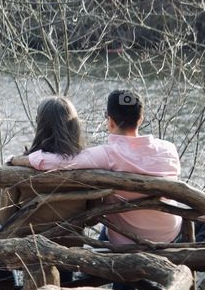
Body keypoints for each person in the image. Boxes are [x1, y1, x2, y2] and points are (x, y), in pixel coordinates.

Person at [10, 89, 181, 245]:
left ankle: (94, 274)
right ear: (140, 119)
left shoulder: (107, 155)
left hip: (129, 240)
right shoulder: (169, 149)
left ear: (110, 121)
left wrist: (17, 160)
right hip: (169, 234)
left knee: (108, 234)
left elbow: (56, 162)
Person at [8, 96, 89, 233]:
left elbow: (4, 217)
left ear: (40, 124)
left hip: (27, 248)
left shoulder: (18, 167)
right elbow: (93, 219)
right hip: (72, 245)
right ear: (74, 127)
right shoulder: (87, 164)